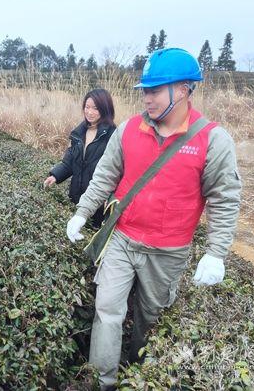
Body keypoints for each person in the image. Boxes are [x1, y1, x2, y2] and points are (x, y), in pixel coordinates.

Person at [65, 48, 241, 390]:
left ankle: (139, 378)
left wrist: (216, 252)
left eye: (155, 91)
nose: (147, 98)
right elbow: (105, 176)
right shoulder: (129, 129)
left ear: (184, 89)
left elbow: (224, 198)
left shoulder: (212, 139)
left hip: (168, 251)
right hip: (122, 238)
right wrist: (82, 212)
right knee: (107, 310)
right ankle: (102, 381)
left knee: (150, 320)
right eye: (145, 90)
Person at [44, 89, 116, 228]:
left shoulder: (112, 136)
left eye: (95, 108)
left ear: (105, 108)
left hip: (97, 203)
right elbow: (70, 162)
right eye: (87, 107)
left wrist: (110, 196)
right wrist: (55, 176)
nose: (89, 112)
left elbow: (115, 172)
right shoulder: (78, 133)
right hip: (76, 196)